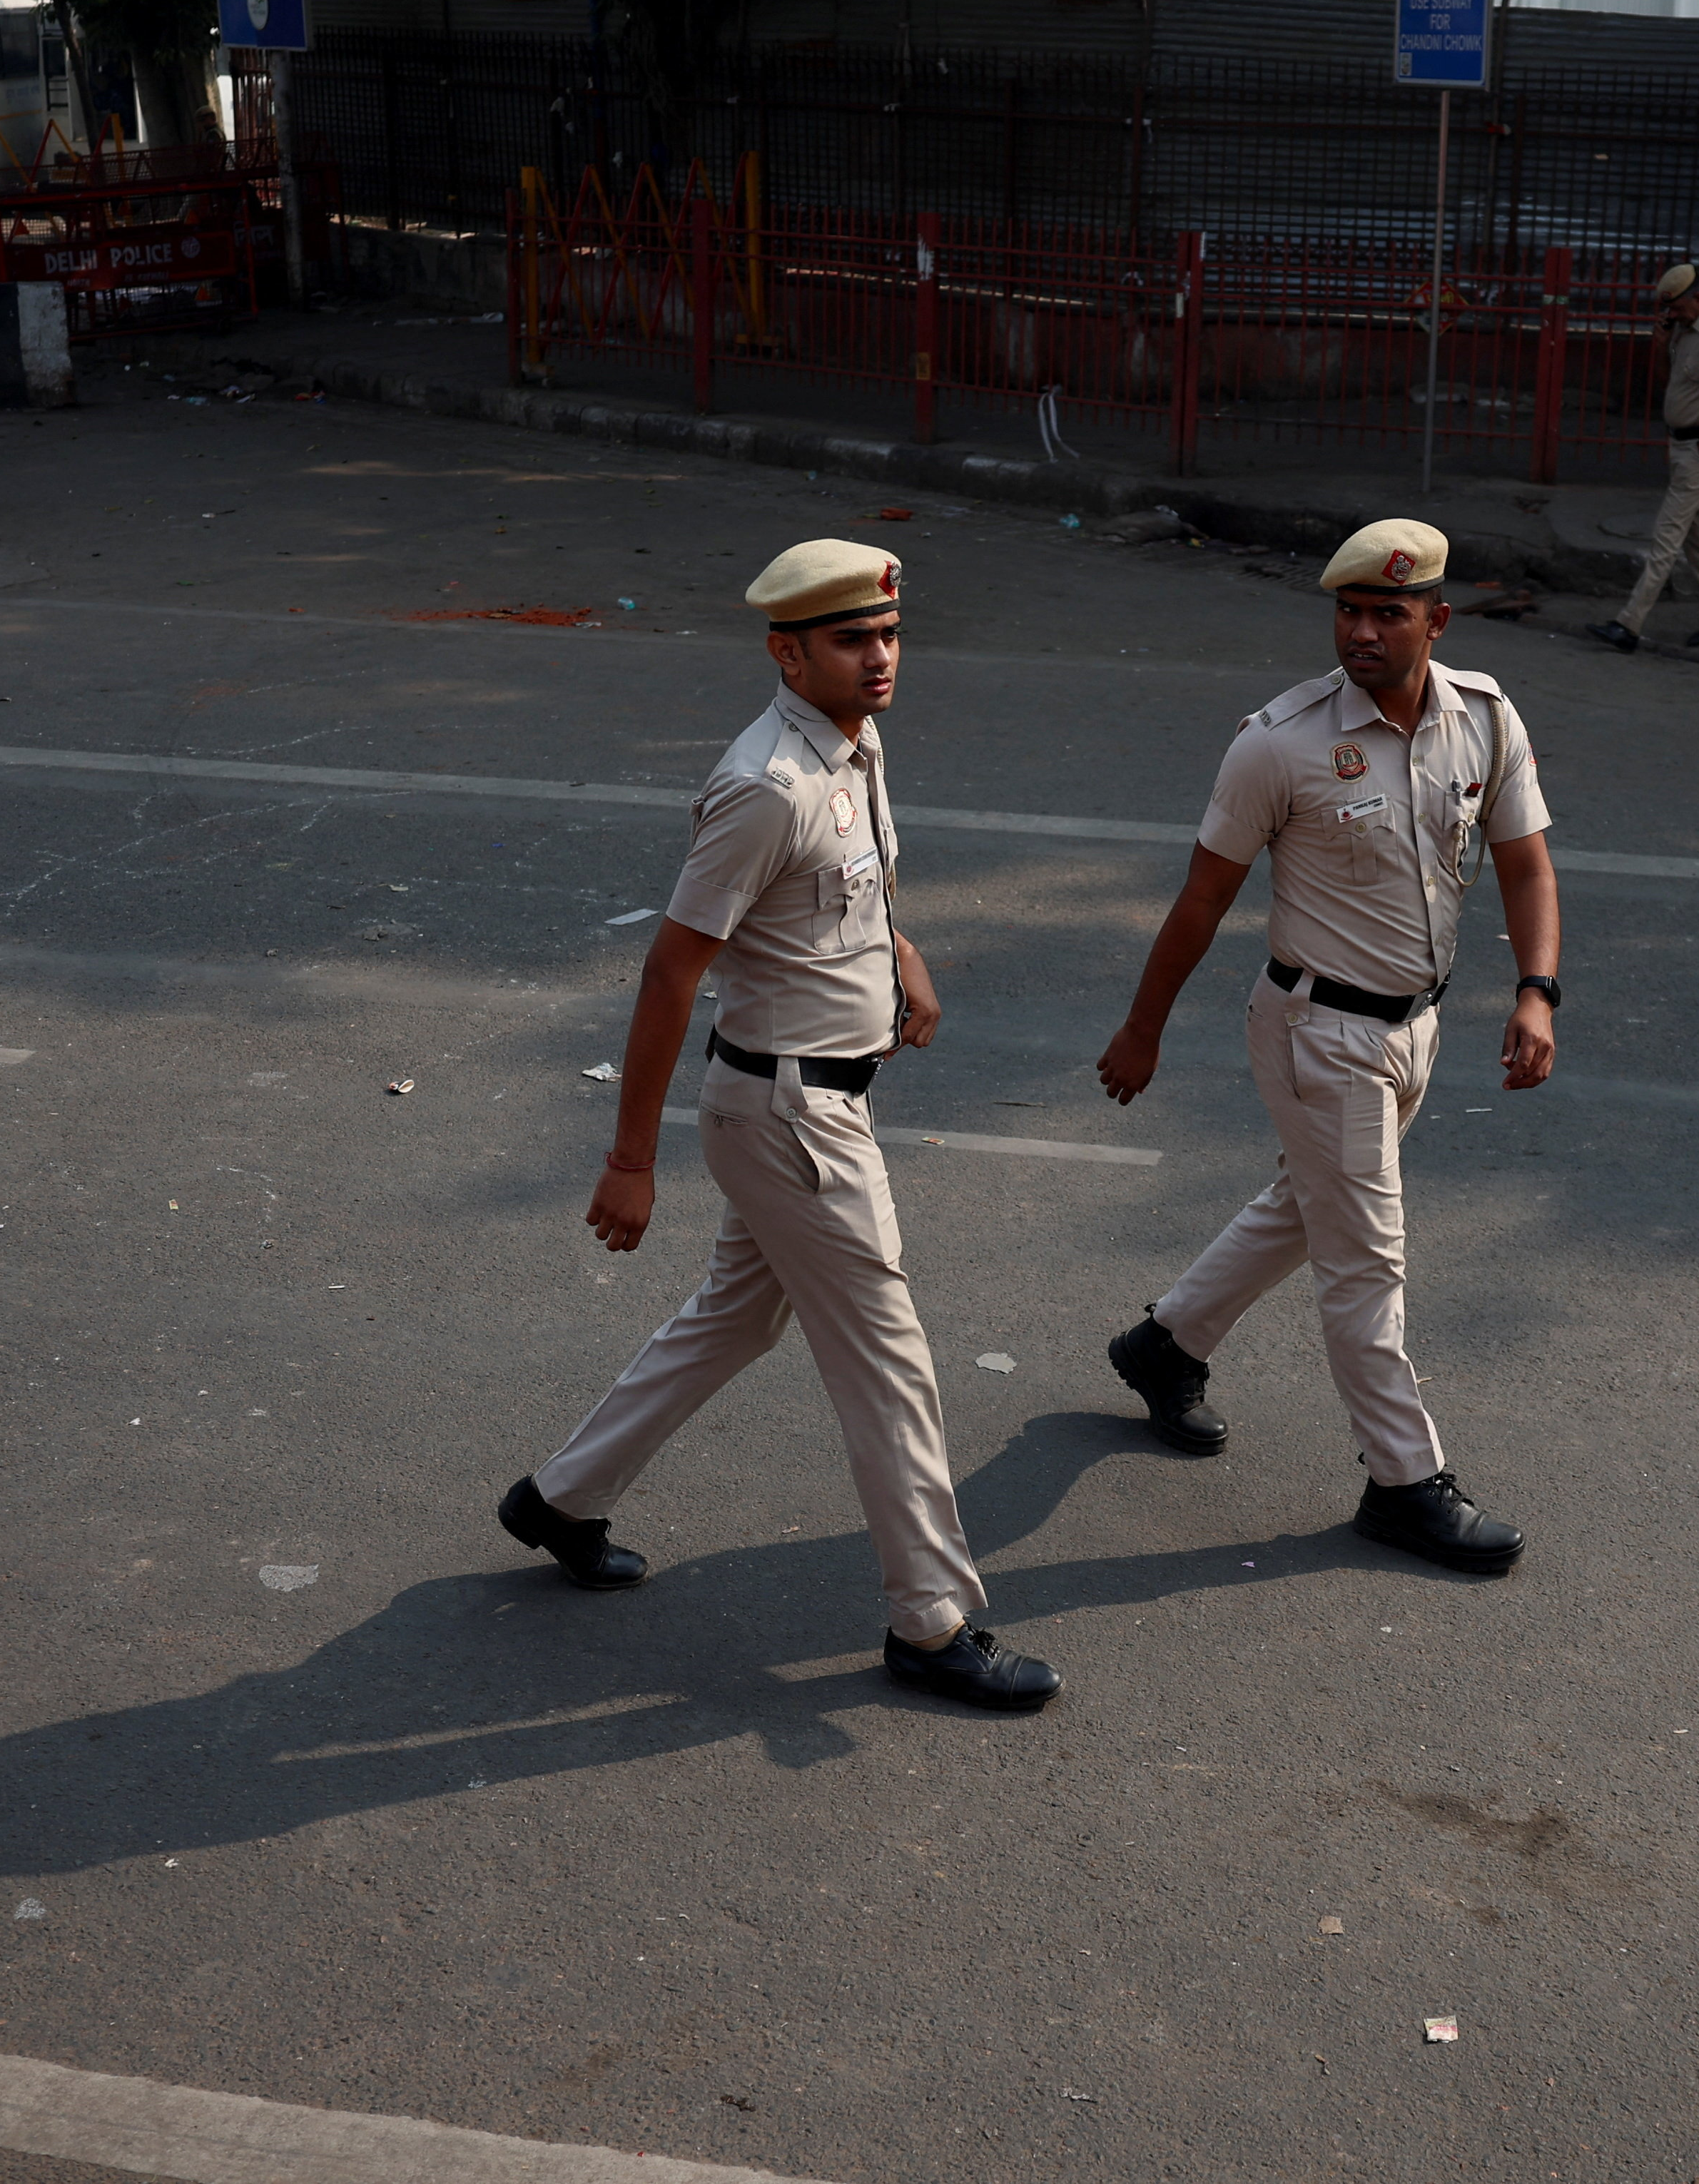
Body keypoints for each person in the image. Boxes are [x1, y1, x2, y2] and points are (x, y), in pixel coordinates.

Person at [498, 538, 1060, 1713]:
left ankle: (560, 1497)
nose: (880, 657)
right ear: (786, 651)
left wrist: (898, 953)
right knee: (889, 1363)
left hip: (808, 1098)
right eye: (853, 640)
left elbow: (844, 890)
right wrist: (629, 1160)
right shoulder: (766, 784)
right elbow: (669, 972)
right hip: (792, 1116)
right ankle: (934, 1618)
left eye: (889, 635)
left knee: (735, 1319)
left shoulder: (852, 744)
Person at [1091, 518, 1561, 1573]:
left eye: (1388, 613)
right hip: (1319, 1031)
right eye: (1347, 610)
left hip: (1415, 1025)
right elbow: (1202, 899)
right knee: (1365, 1262)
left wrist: (1536, 991)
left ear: (1435, 620)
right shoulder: (1281, 740)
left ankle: (1163, 1345)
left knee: (1309, 1204)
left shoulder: (1484, 717)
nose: (1361, 631)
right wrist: (1142, 1027)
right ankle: (1403, 1481)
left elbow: (1525, 864)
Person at [1587, 260, 1699, 653]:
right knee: (1697, 537)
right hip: (1682, 444)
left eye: (1676, 308)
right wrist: (1659, 348)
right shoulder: (1683, 330)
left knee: (1666, 536)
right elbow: (1667, 383)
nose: (1671, 315)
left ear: (1698, 297)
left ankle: (1629, 624)